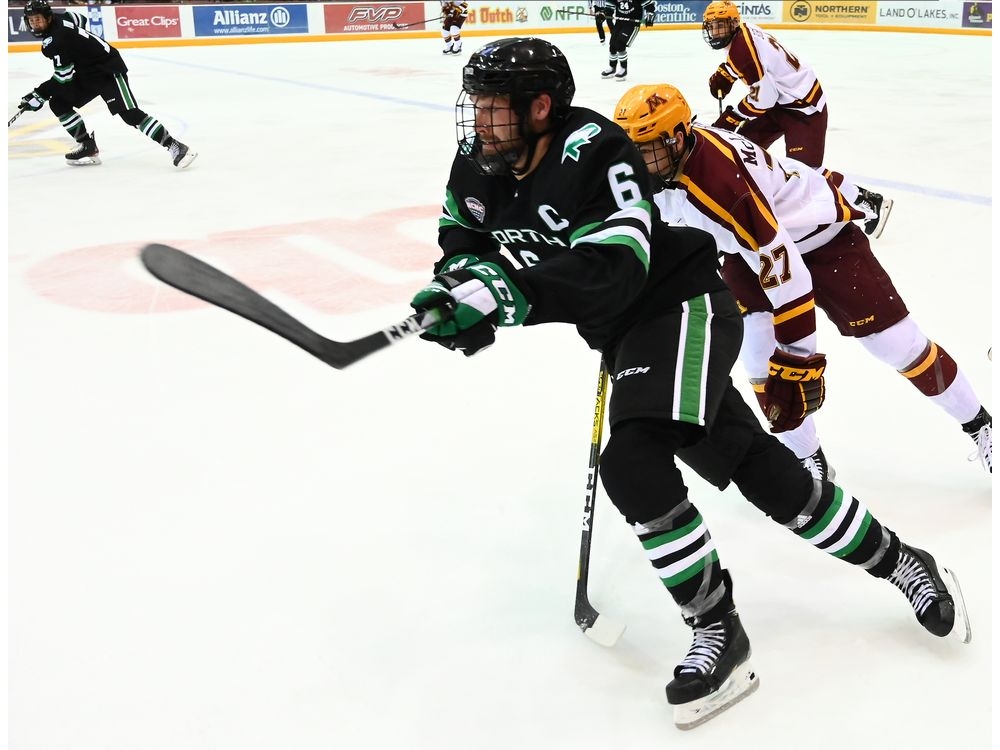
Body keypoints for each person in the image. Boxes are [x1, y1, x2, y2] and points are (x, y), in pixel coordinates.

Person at [407, 37, 971, 730]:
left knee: (633, 461)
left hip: (684, 308)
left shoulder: (595, 149)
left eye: (494, 107)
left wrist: (510, 294)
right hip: (628, 337)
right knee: (772, 480)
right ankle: (902, 561)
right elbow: (462, 246)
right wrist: (454, 294)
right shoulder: (477, 165)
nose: (479, 121)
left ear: (541, 107)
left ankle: (718, 631)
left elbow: (616, 267)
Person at [611, 83, 993, 478]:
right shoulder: (665, 164)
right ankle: (809, 459)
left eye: (646, 148)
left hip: (818, 236)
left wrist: (798, 358)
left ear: (676, 139)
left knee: (897, 345)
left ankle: (981, 424)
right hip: (750, 249)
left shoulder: (723, 188)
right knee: (758, 356)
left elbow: (788, 277)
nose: (637, 160)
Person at [701, 1, 891, 239]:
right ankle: (751, 207)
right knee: (743, 145)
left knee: (807, 172)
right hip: (784, 101)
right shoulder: (744, 32)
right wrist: (726, 73)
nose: (716, 32)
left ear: (733, 24)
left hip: (804, 107)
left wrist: (732, 117)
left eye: (721, 26)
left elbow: (764, 99)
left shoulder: (742, 52)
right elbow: (761, 66)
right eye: (713, 26)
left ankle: (867, 201)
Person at [18, 0, 196, 169]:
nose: (35, 24)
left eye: (38, 19)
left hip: (107, 69)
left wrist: (39, 94)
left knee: (129, 114)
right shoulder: (62, 17)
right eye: (31, 20)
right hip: (86, 73)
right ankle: (87, 146)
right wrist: (82, 47)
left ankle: (176, 146)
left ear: (48, 18)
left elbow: (63, 78)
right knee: (59, 103)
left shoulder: (55, 41)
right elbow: (81, 19)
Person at [600, 0, 656, 80]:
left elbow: (650, 6)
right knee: (612, 46)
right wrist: (603, 14)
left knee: (620, 44)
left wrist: (650, 15)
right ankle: (612, 68)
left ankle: (623, 69)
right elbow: (609, 9)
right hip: (619, 23)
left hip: (632, 25)